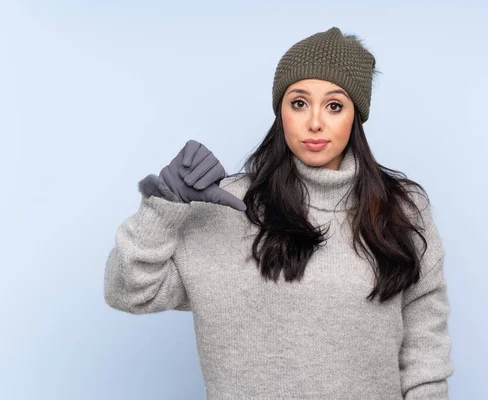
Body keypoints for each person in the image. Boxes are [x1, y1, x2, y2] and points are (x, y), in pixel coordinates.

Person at [104, 26, 454, 399]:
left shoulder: (400, 210)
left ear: (356, 116)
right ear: (280, 112)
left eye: (334, 105)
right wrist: (165, 204)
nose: (315, 122)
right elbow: (128, 291)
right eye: (299, 103)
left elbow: (424, 350)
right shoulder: (226, 207)